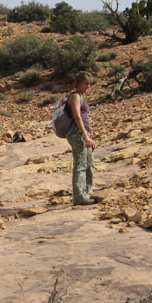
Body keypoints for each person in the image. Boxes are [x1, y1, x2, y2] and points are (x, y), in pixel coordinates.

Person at [66, 71, 96, 205]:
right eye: (86, 83)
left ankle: (85, 193)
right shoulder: (75, 96)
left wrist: (89, 135)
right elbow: (77, 116)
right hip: (78, 133)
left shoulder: (81, 96)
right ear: (78, 83)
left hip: (84, 133)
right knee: (81, 165)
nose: (88, 86)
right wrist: (85, 135)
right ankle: (79, 197)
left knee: (90, 164)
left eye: (90, 84)